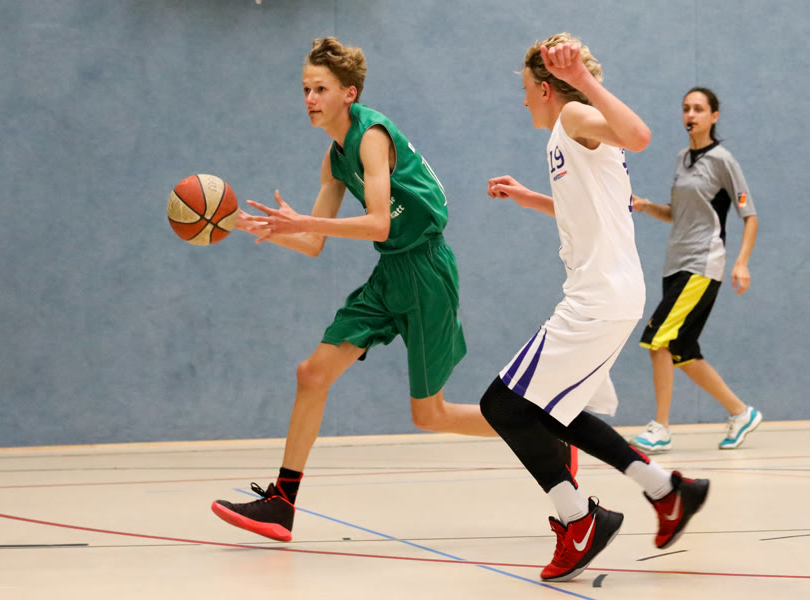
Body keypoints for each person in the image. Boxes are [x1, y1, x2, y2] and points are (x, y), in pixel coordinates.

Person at [210, 37, 575, 543]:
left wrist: (303, 222)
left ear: (349, 93)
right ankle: (282, 503)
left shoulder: (371, 136)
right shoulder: (334, 159)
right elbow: (313, 242)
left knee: (430, 414)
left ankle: (550, 436)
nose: (310, 98)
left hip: (426, 272)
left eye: (321, 89)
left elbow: (379, 222)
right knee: (312, 374)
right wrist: (247, 224)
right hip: (389, 274)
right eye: (306, 89)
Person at [478, 33, 709, 582]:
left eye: (526, 89)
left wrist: (580, 79)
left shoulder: (574, 115)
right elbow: (590, 207)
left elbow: (640, 135)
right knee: (550, 410)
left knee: (503, 405)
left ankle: (579, 521)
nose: (523, 101)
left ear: (545, 88)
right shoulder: (567, 135)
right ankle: (666, 491)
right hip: (607, 293)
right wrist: (530, 197)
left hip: (600, 296)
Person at [629, 87, 761, 453]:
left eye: (699, 109)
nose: (691, 114)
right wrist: (645, 205)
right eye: (686, 108)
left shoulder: (723, 160)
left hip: (702, 264)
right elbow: (678, 215)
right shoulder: (682, 159)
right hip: (675, 264)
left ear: (714, 116)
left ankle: (661, 428)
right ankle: (741, 412)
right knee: (683, 350)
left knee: (657, 340)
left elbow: (750, 216)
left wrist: (741, 262)